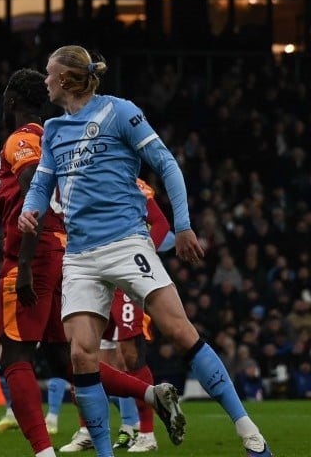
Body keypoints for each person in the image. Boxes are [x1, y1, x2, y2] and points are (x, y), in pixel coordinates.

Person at [19, 46, 273, 457]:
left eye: (49, 73)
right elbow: (41, 184)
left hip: (126, 242)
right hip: (80, 256)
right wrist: (30, 212)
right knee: (82, 354)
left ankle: (249, 433)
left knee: (179, 331)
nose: (44, 80)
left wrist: (184, 225)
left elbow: (166, 163)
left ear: (65, 79)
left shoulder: (119, 112)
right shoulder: (51, 130)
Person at [0, 68, 182, 457]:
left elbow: (36, 194)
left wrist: (26, 263)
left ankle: (44, 451)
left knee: (15, 356)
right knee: (66, 360)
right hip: (67, 256)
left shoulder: (24, 139)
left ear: (12, 101)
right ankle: (149, 393)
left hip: (37, 256)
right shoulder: (61, 135)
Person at [60, 179, 174, 454]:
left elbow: (160, 224)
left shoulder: (130, 181)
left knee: (130, 354)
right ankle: (89, 429)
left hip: (123, 274)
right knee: (88, 354)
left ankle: (147, 433)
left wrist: (143, 252)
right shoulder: (76, 181)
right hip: (92, 274)